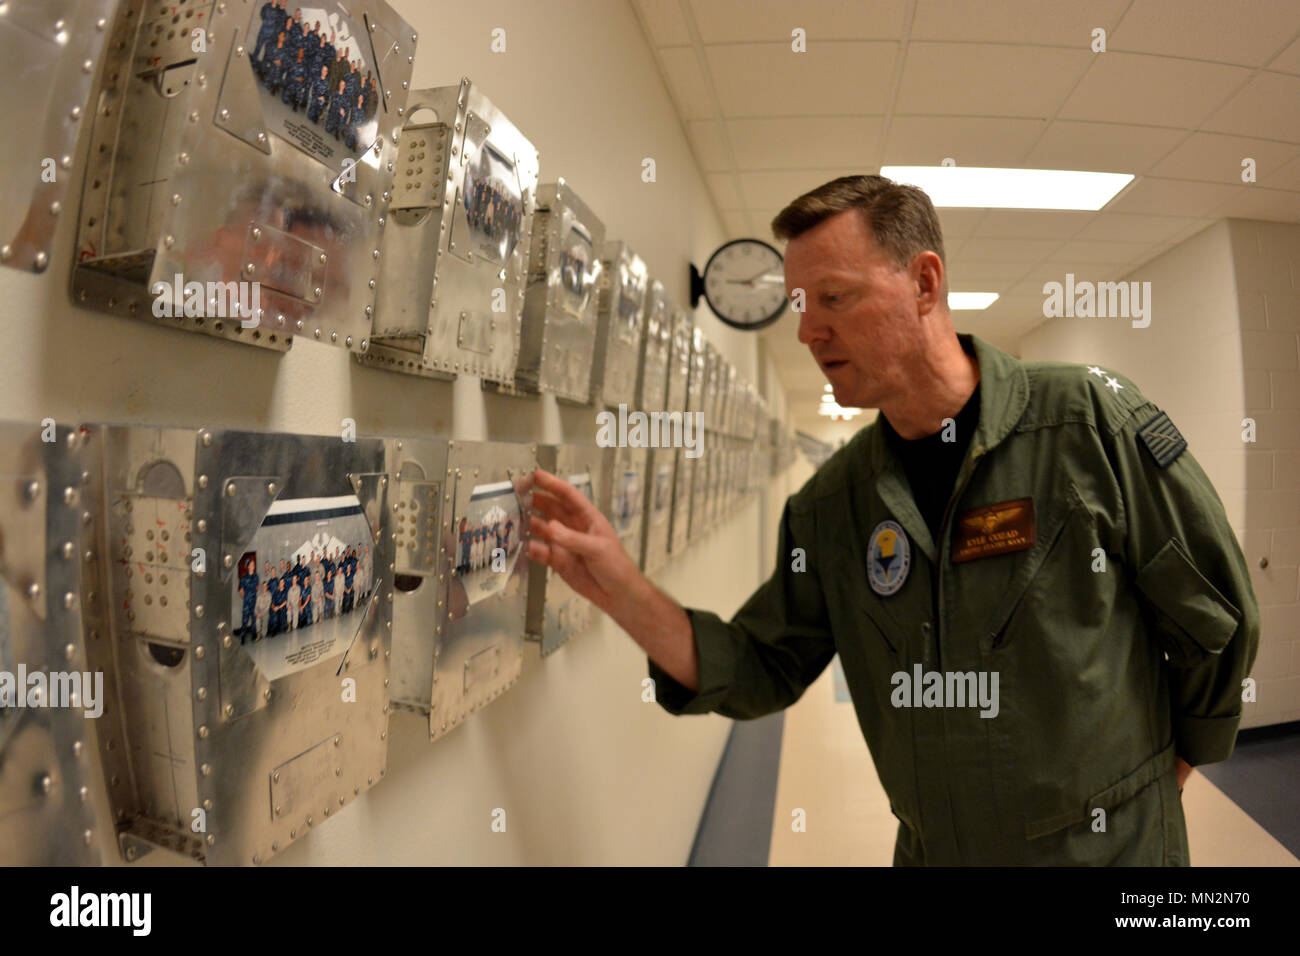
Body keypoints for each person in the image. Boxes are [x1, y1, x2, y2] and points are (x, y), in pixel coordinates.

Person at [527, 173, 1261, 867]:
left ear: (925, 283)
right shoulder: (833, 505)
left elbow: (1217, 613)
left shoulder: (1084, 424)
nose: (808, 331)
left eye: (834, 297)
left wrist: (1168, 773)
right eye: (800, 306)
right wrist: (623, 588)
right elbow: (759, 666)